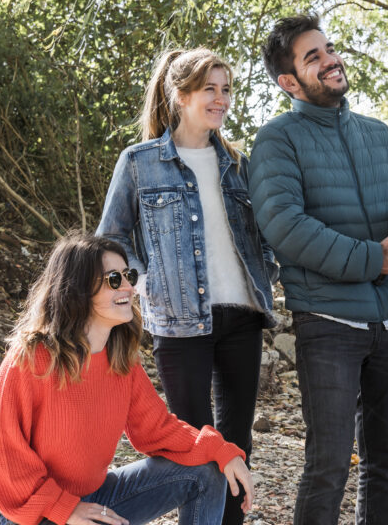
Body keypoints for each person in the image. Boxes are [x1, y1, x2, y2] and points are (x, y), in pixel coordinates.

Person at [248, 14, 388, 524]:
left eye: (330, 49)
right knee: (329, 465)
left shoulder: (378, 134)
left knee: (387, 461)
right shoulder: (275, 141)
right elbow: (285, 227)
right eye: (313, 56)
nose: (330, 60)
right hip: (328, 323)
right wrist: (372, 259)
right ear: (289, 81)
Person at [96, 48, 278, 525]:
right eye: (209, 89)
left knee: (237, 443)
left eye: (226, 89)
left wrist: (268, 272)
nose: (221, 99)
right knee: (195, 447)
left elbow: (265, 235)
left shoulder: (239, 165)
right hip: (178, 323)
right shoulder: (139, 163)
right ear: (181, 95)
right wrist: (145, 281)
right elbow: (111, 240)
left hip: (243, 317)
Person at [0, 233, 254, 525]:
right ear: (78, 289)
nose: (129, 287)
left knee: (207, 472)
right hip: (30, 511)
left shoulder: (121, 360)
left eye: (128, 276)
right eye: (113, 279)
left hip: (93, 498)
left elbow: (157, 429)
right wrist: (63, 508)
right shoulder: (34, 356)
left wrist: (221, 450)